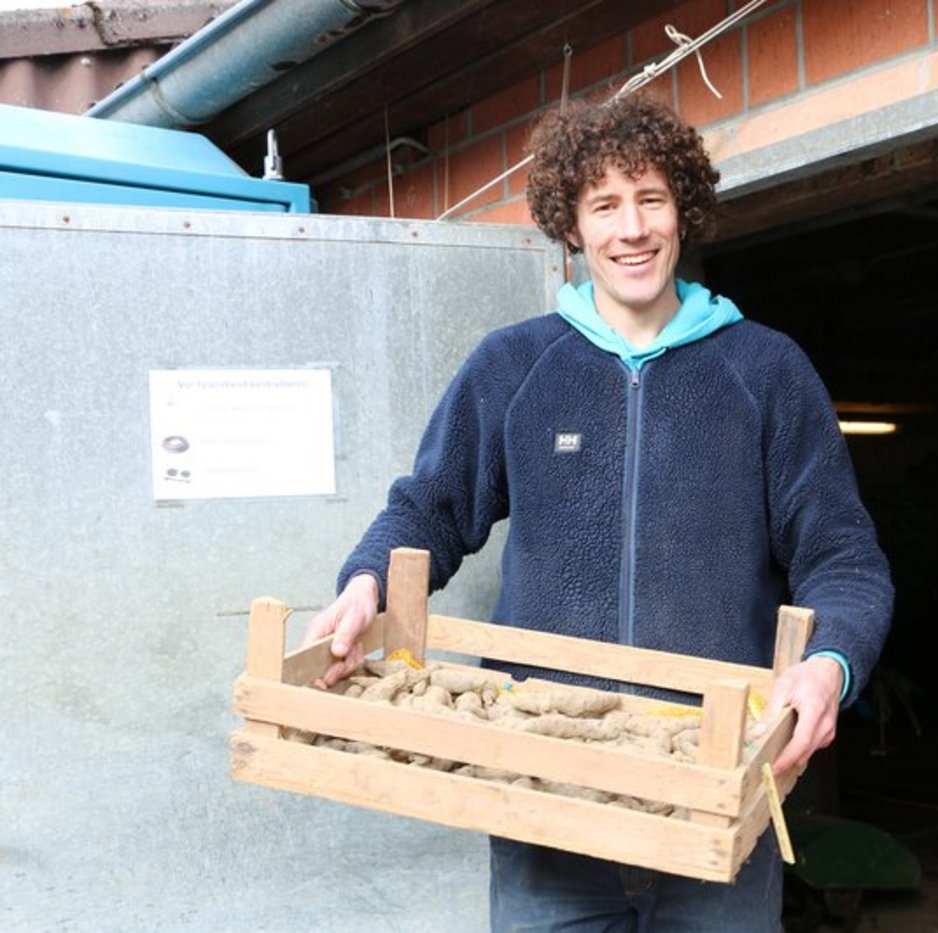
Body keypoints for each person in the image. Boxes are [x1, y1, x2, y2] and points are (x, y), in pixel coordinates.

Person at [302, 93, 893, 932]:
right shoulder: (515, 364)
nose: (633, 228)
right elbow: (429, 508)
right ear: (571, 226)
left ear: (683, 210)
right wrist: (367, 579)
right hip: (544, 794)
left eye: (651, 198)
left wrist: (832, 661)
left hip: (713, 789)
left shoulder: (766, 371)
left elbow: (843, 555)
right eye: (605, 205)